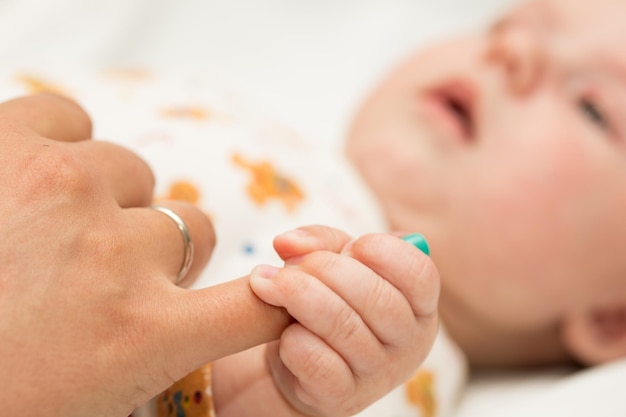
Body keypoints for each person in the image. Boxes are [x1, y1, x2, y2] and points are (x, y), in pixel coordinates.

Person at [3, 0, 626, 415]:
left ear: (614, 319)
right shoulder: (230, 100)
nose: (510, 54)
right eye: (505, 27)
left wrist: (280, 390)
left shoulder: (392, 359)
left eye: (593, 108)